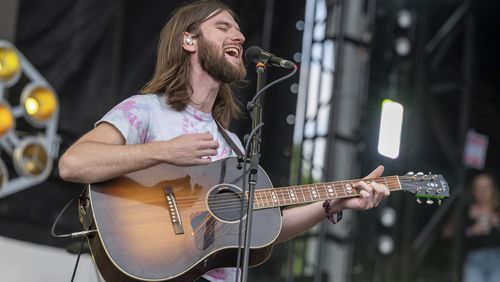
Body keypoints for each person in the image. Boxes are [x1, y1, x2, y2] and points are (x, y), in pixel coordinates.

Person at [58, 1, 390, 281]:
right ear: (190, 40)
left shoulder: (232, 144)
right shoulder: (145, 110)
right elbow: (74, 163)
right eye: (223, 27)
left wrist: (334, 203)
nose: (240, 36)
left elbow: (264, 229)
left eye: (238, 29)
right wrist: (166, 150)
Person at [462, 173, 500, 282]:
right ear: (473, 190)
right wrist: (472, 231)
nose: (483, 191)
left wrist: (497, 223)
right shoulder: (465, 210)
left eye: (486, 187)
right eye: (479, 187)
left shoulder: (498, 210)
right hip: (474, 259)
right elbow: (451, 234)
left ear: (493, 189)